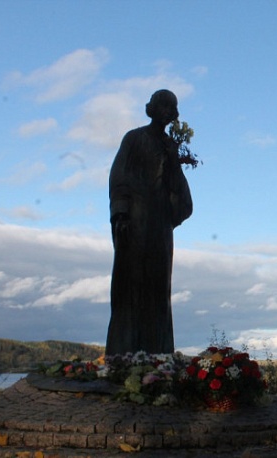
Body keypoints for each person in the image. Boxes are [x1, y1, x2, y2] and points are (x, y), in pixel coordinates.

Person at [106, 90, 193, 356]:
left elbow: (181, 197)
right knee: (129, 286)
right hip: (134, 222)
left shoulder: (170, 147)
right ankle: (123, 353)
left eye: (172, 107)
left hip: (159, 228)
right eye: (163, 105)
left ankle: (158, 355)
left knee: (158, 290)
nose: (168, 111)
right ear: (152, 108)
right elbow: (118, 175)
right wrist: (121, 212)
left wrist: (174, 161)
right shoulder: (134, 138)